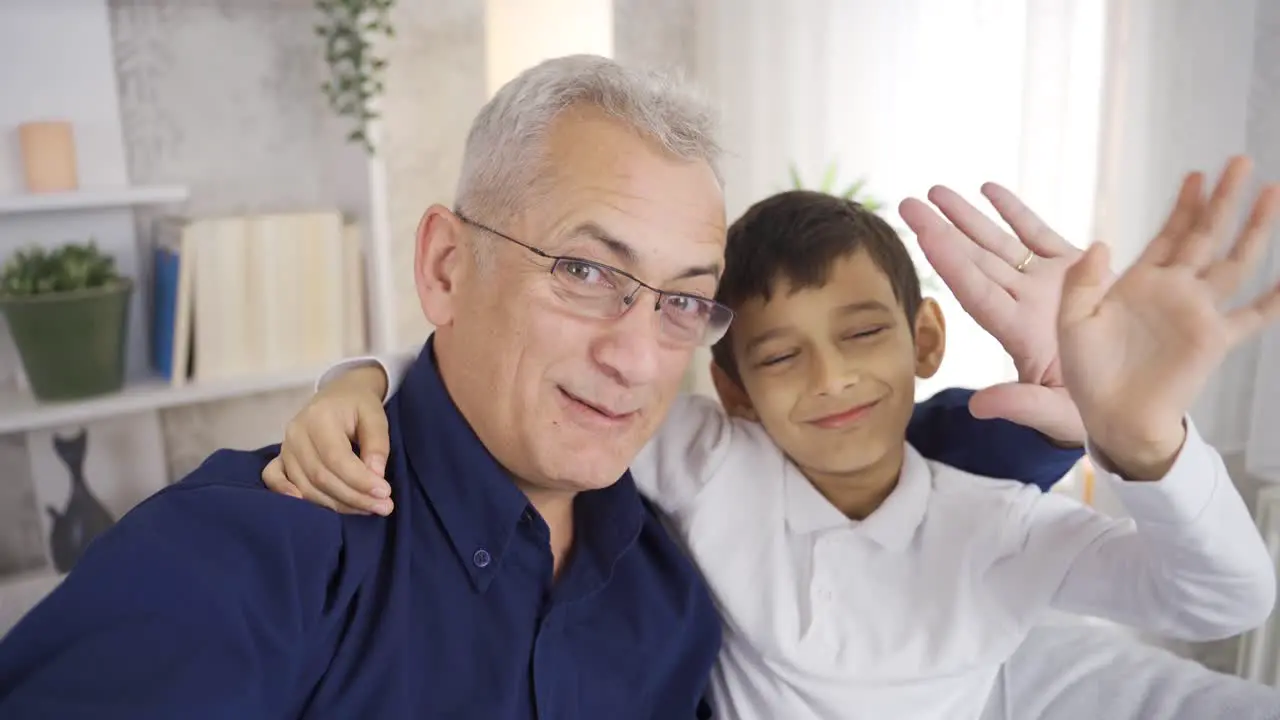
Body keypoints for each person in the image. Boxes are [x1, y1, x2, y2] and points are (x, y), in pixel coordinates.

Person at [0, 56, 1082, 719]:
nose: (635, 356)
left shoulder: (676, 585)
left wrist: (1074, 409)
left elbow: (878, 446)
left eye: (679, 300)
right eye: (585, 272)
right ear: (443, 269)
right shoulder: (258, 555)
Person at [265, 160, 1280, 719]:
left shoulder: (1001, 532)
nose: (832, 381)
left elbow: (1222, 599)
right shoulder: (708, 461)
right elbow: (506, 376)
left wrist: (1145, 441)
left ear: (926, 339)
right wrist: (350, 382)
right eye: (780, 356)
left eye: (863, 334)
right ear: (731, 387)